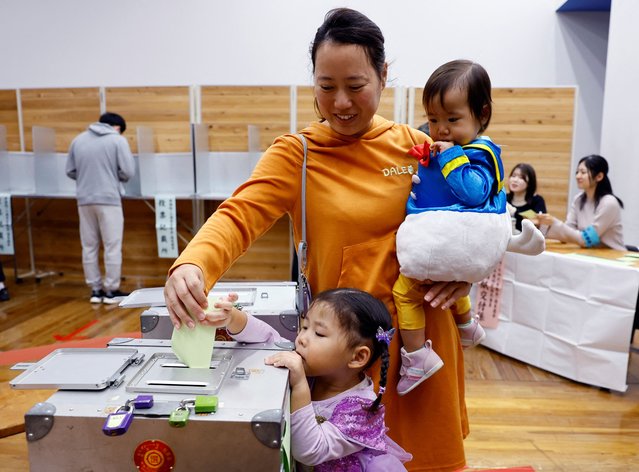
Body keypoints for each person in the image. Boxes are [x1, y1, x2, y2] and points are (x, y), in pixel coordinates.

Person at [164, 8, 471, 471]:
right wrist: (193, 264)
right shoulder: (298, 154)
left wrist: (465, 275)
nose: (341, 102)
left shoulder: (418, 149)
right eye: (326, 87)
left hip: (418, 347)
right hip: (344, 354)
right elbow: (239, 214)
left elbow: (468, 223)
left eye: (356, 85)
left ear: (384, 75)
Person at [392, 60, 544, 396]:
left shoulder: (479, 153)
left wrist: (449, 159)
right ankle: (467, 325)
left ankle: (417, 356)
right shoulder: (449, 144)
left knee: (406, 292)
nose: (441, 129)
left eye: (452, 119)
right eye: (433, 120)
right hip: (451, 240)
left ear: (482, 114)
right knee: (447, 282)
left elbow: (474, 192)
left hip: (453, 236)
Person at [208, 288, 412, 470]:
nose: (302, 338)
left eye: (319, 333)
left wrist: (299, 385)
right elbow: (268, 339)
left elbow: (310, 451)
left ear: (357, 357)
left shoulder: (363, 411)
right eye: (304, 326)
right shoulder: (315, 368)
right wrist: (234, 318)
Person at [66, 112, 135, 304]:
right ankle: (111, 290)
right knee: (112, 245)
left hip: (84, 200)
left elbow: (70, 171)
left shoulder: (78, 140)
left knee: (89, 245)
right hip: (109, 199)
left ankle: (95, 290)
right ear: (117, 127)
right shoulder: (117, 141)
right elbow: (128, 171)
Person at [537, 154, 625, 250]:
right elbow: (569, 230)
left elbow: (587, 240)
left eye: (583, 172)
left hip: (612, 256)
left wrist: (555, 223)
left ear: (599, 176)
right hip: (589, 254)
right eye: (577, 172)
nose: (578, 176)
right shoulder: (578, 199)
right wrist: (544, 223)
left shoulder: (609, 203)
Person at [506, 163, 547, 232]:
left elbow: (541, 224)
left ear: (530, 182)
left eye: (521, 177)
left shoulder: (537, 200)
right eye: (513, 176)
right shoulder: (504, 198)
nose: (515, 180)